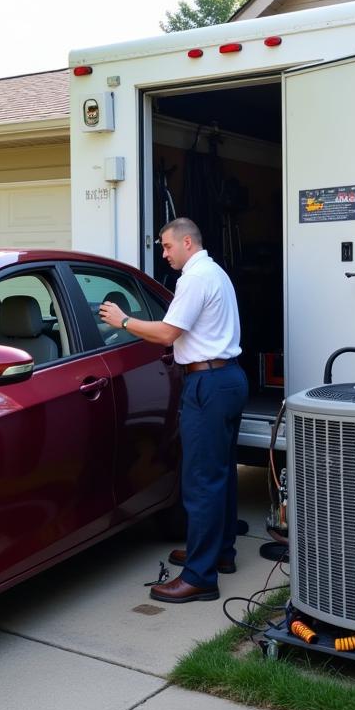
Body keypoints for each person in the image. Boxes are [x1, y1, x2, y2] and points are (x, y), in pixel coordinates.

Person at [99, 217, 247, 603]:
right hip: (228, 378)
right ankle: (220, 554)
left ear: (186, 242)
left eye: (166, 247)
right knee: (221, 477)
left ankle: (200, 577)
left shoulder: (195, 278)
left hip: (208, 384)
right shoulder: (215, 273)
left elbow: (167, 332)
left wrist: (123, 321)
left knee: (201, 482)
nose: (163, 255)